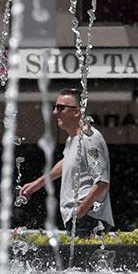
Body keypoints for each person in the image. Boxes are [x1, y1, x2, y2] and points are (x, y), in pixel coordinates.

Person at [20, 88, 114, 237]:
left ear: (76, 112)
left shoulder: (89, 138)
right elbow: (67, 162)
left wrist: (81, 211)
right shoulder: (73, 139)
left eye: (60, 108)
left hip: (88, 219)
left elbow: (102, 182)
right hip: (80, 219)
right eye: (55, 107)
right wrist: (37, 184)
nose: (55, 112)